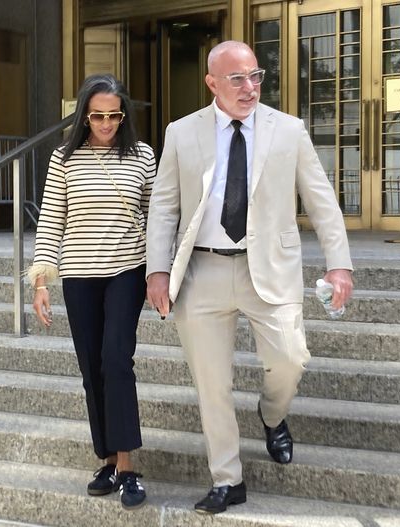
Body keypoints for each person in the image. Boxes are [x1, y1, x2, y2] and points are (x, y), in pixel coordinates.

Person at [145, 41, 353, 515]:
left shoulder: (289, 130)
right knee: (211, 384)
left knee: (291, 358)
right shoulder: (181, 133)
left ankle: (272, 414)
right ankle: (227, 479)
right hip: (202, 269)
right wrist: (158, 271)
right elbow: (164, 207)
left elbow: (321, 200)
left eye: (256, 76)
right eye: (237, 78)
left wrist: (339, 264)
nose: (249, 87)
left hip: (271, 269)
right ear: (212, 83)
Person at [27, 73, 156, 510]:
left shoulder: (142, 155)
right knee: (90, 369)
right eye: (97, 115)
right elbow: (50, 221)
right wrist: (41, 281)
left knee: (116, 360)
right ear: (83, 114)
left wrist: (160, 272)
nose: (105, 123)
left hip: (126, 270)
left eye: (113, 115)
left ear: (124, 115)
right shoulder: (64, 159)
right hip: (79, 275)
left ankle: (127, 465)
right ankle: (104, 457)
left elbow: (158, 214)